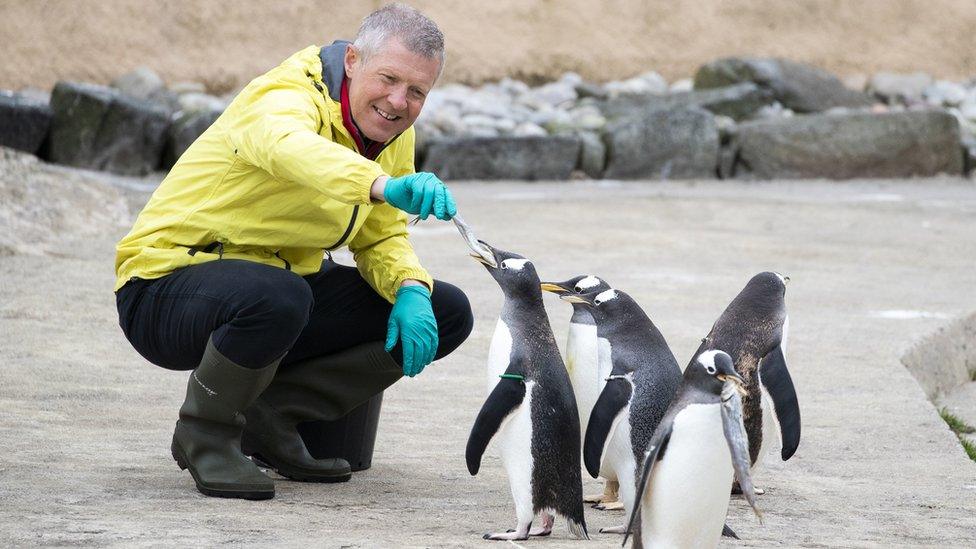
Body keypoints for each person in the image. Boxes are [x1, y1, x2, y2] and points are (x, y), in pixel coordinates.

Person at [113, 3, 472, 500]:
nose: (398, 101)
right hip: (165, 285)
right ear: (351, 61)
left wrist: (410, 286)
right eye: (388, 78)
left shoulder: (391, 132)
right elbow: (289, 148)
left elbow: (381, 234)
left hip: (279, 292)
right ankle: (205, 435)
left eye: (417, 91)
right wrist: (381, 184)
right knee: (279, 294)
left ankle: (273, 414)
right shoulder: (283, 94)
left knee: (446, 309)